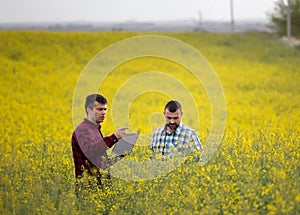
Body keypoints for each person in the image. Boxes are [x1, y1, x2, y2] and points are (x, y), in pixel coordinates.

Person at [71, 94, 128, 191]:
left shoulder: (94, 129)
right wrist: (114, 137)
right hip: (87, 189)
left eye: (105, 109)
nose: (103, 113)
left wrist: (120, 154)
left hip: (98, 187)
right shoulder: (82, 130)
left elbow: (98, 161)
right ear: (89, 110)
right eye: (99, 109)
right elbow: (90, 151)